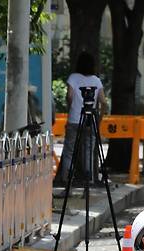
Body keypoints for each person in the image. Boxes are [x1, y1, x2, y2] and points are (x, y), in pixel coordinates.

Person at [57, 51, 108, 186]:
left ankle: (66, 178)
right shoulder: (96, 80)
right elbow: (104, 102)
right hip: (90, 120)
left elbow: (69, 96)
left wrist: (71, 108)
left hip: (74, 119)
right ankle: (89, 178)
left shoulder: (73, 77)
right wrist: (99, 118)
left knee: (69, 150)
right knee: (88, 150)